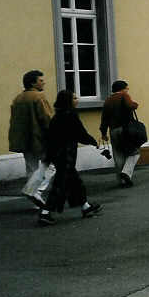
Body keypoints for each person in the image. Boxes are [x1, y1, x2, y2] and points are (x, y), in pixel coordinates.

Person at [39, 90, 102, 225]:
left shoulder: (57, 116)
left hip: (57, 154)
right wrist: (93, 141)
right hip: (66, 154)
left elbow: (51, 137)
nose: (77, 100)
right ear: (67, 101)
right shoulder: (70, 115)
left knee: (74, 182)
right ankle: (45, 212)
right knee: (61, 184)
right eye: (74, 98)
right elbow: (80, 133)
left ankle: (85, 207)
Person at [8, 70, 53, 207]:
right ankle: (36, 191)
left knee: (31, 168)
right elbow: (46, 118)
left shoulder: (18, 98)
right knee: (51, 167)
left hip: (24, 139)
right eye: (41, 80)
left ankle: (35, 200)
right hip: (39, 138)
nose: (43, 82)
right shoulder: (38, 97)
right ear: (33, 83)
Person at [99, 80, 141, 188]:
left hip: (113, 130)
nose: (127, 90)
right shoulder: (123, 96)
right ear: (122, 89)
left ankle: (121, 181)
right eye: (127, 88)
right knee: (134, 152)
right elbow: (130, 105)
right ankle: (126, 173)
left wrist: (103, 133)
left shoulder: (108, 100)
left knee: (118, 155)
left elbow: (104, 119)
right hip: (125, 129)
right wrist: (135, 104)